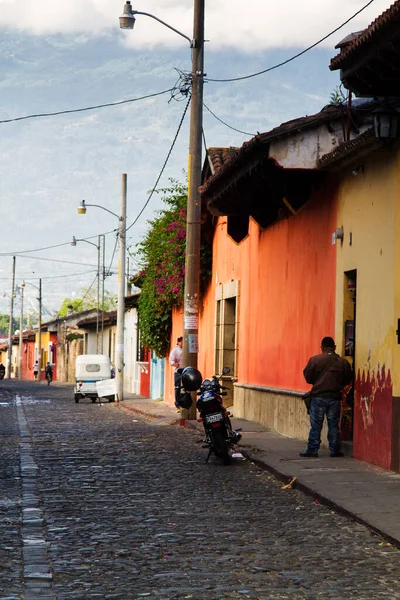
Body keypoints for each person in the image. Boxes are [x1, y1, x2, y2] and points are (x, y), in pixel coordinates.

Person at [300, 336, 353, 458]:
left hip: (318, 397)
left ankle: (312, 450)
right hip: (334, 397)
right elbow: (348, 378)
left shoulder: (314, 360)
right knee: (333, 424)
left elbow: (308, 377)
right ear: (334, 347)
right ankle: (335, 450)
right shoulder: (343, 362)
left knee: (316, 425)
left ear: (322, 347)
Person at [169, 336, 183, 411]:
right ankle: (177, 405)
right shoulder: (175, 351)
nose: (182, 343)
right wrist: (174, 364)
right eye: (181, 342)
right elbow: (170, 360)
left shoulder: (186, 350)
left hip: (186, 370)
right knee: (178, 388)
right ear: (178, 342)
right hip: (178, 371)